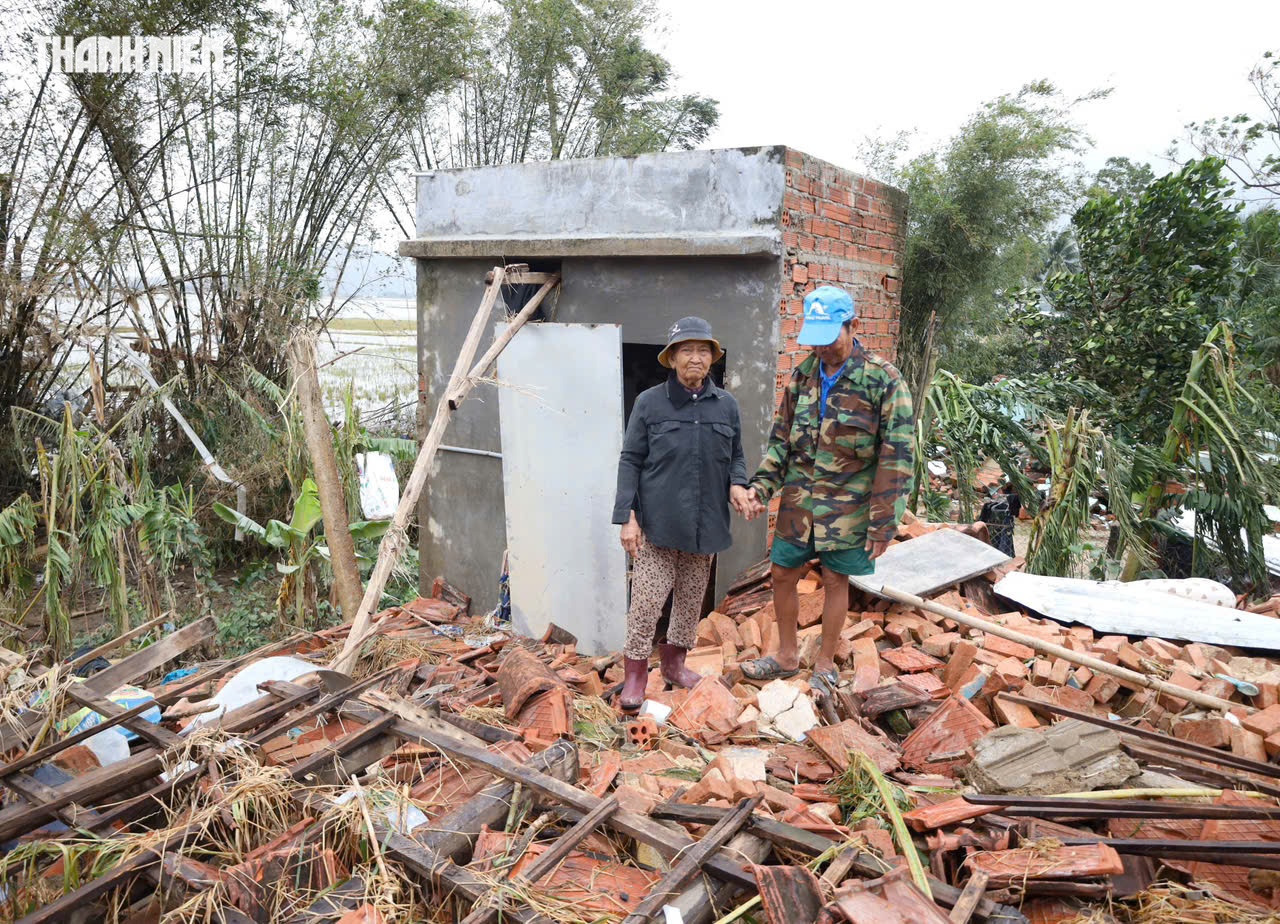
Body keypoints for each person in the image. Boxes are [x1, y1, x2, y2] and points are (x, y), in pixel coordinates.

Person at [741, 286, 915, 691]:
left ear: (852, 325)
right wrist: (761, 488)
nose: (821, 348)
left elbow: (898, 455)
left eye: (829, 338)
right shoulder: (802, 376)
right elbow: (781, 442)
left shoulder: (882, 380)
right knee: (783, 572)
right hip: (800, 500)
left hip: (850, 504)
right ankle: (786, 656)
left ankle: (824, 663)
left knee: (837, 580)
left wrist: (882, 523)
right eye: (814, 339)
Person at [612, 317, 758, 711]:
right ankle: (636, 674)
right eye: (686, 350)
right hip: (658, 524)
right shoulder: (649, 403)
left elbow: (737, 457)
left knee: (691, 601)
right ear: (672, 358)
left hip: (705, 523)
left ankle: (675, 666)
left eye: (703, 350)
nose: (695, 358)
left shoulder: (726, 406)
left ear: (712, 358)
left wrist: (737, 485)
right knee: (646, 602)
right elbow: (630, 460)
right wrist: (627, 515)